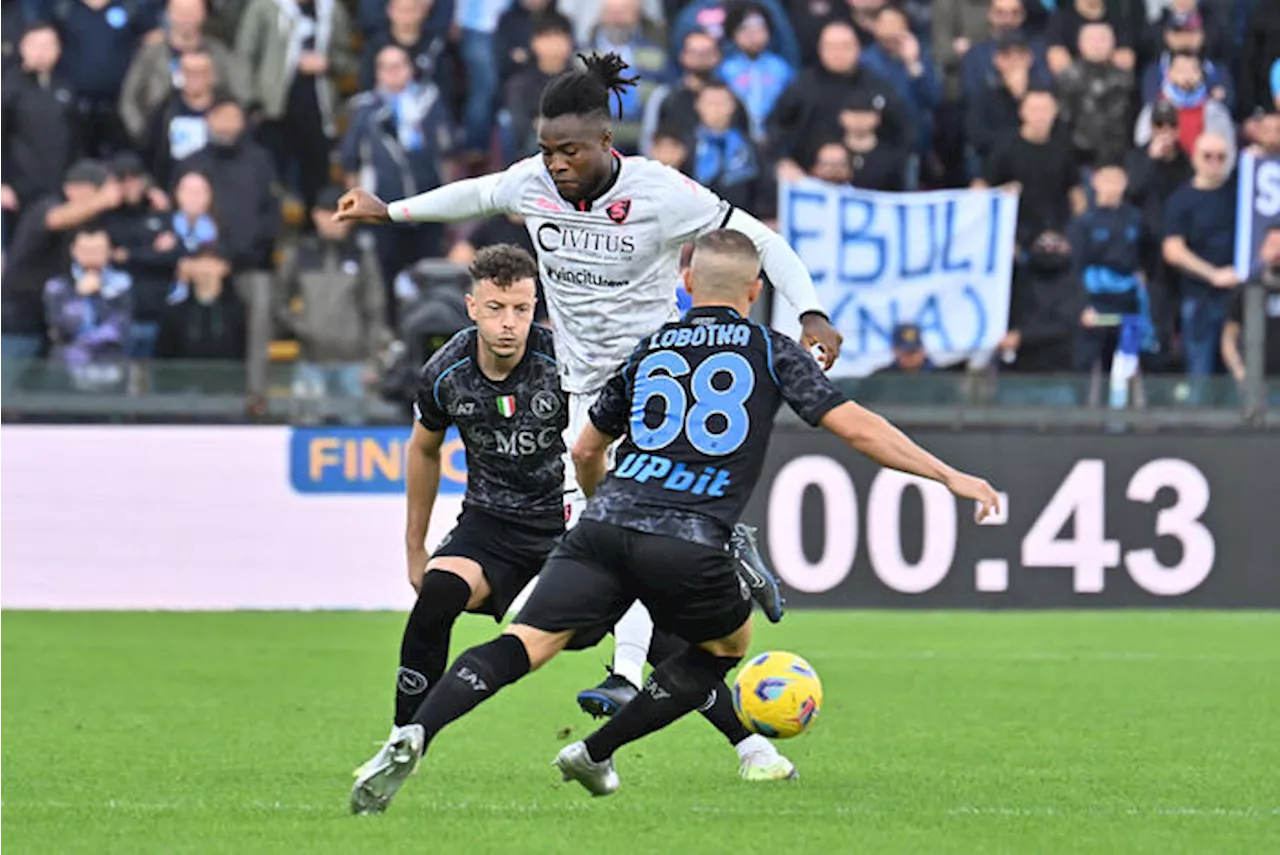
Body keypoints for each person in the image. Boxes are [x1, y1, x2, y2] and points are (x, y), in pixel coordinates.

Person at [347, 229, 1000, 812]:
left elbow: (584, 449)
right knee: (724, 647)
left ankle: (415, 730)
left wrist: (602, 509)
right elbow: (855, 427)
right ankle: (597, 750)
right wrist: (949, 475)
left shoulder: (653, 346)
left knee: (527, 642)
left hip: (600, 525)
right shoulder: (770, 349)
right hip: (686, 537)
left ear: (686, 284)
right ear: (754, 290)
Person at [333, 51, 843, 720]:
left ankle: (627, 672)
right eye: (546, 151)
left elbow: (763, 242)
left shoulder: (661, 192)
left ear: (607, 143)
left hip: (659, 382)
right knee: (621, 537)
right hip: (583, 395)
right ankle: (720, 552)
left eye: (569, 150)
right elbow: (477, 192)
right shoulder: (534, 184)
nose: (556, 163)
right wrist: (389, 210)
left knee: (613, 530)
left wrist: (809, 310)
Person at [362, 242, 796, 811]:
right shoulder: (445, 372)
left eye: (520, 308)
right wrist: (414, 546)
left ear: (536, 306)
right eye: (495, 308)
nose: (509, 323)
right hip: (491, 524)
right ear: (472, 307)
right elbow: (423, 450)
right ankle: (401, 738)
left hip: (571, 521)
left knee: (667, 637)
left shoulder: (563, 363)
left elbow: (611, 436)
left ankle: (750, 745)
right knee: (439, 591)